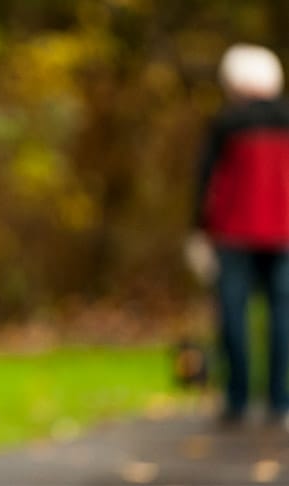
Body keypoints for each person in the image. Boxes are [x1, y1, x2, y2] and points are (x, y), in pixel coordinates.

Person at [190, 43, 289, 424]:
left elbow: (206, 180)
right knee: (282, 316)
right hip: (282, 233)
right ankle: (280, 400)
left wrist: (198, 231)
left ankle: (238, 399)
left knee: (233, 314)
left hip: (233, 234)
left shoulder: (226, 122)